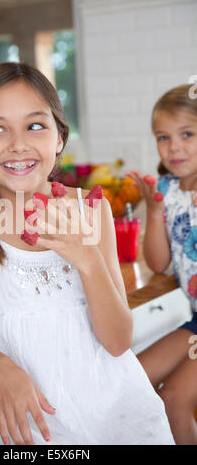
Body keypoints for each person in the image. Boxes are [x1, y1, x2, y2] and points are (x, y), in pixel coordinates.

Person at [0, 62, 174, 445]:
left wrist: (86, 257)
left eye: (35, 125)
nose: (18, 144)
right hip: (30, 424)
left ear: (59, 138)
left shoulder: (91, 208)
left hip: (116, 418)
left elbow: (117, 341)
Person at [127, 84, 197, 445]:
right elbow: (158, 264)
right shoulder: (167, 190)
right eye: (163, 137)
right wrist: (154, 211)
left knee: (174, 398)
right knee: (131, 383)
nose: (174, 147)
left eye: (187, 134)